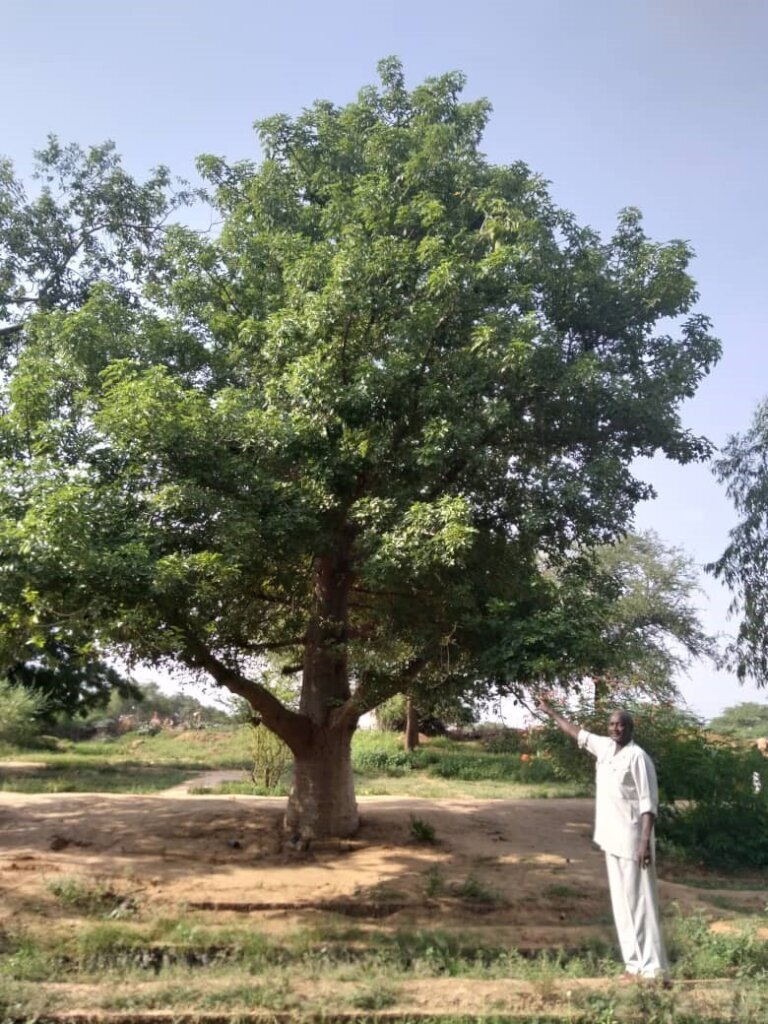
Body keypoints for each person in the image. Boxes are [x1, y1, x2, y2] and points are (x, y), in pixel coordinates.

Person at [536, 697, 669, 983]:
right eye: (611, 724)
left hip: (635, 841)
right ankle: (633, 966)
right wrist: (550, 712)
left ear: (631, 728)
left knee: (640, 904)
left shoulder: (638, 757)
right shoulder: (606, 748)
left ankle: (654, 970)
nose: (615, 729)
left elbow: (648, 804)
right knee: (622, 905)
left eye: (621, 725)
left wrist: (645, 843)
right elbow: (576, 732)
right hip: (611, 839)